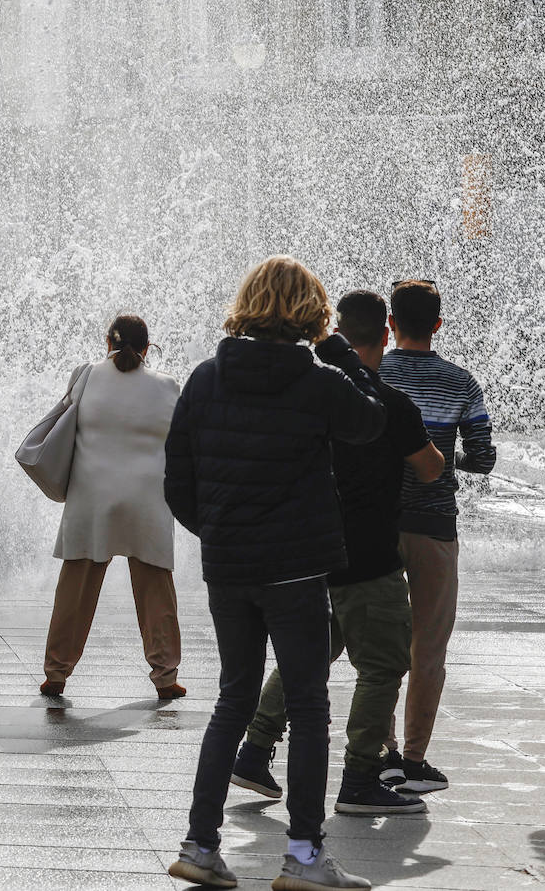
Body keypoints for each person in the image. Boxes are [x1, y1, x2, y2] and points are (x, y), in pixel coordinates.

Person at [165, 256, 385, 891]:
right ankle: (304, 857)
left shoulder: (205, 379)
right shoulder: (319, 380)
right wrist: (340, 355)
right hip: (294, 571)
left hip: (229, 569)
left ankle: (200, 846)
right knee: (310, 704)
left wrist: (223, 533)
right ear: (312, 314)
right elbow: (373, 424)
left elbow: (177, 481)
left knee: (234, 698)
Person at [230, 290, 445, 817]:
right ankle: (360, 780)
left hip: (312, 551)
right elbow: (431, 467)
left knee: (310, 652)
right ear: (384, 337)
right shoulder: (388, 404)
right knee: (383, 666)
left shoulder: (310, 396)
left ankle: (254, 751)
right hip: (369, 557)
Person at [377, 280, 496, 794]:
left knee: (376, 645)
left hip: (373, 527)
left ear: (391, 325)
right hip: (434, 524)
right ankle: (414, 760)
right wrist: (447, 459)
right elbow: (484, 459)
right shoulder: (460, 382)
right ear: (439, 325)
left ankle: (377, 753)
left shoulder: (370, 373)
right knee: (428, 646)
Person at [41, 314, 186, 700]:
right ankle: (165, 676)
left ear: (107, 342)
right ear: (148, 347)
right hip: (147, 500)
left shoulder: (85, 375)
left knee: (75, 590)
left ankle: (56, 673)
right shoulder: (168, 386)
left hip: (92, 500)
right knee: (156, 591)